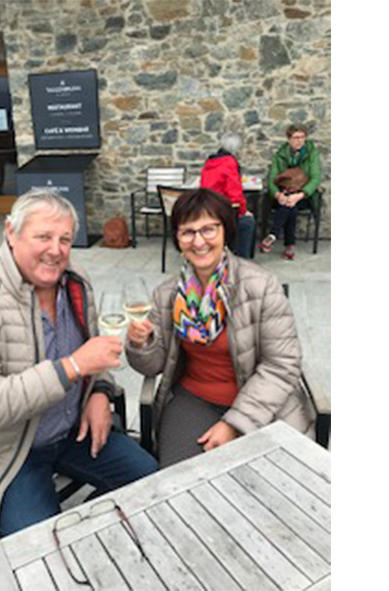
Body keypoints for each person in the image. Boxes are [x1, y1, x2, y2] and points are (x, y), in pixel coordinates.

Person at [0, 188, 158, 538]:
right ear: (11, 232)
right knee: (42, 546)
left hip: (73, 430)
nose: (56, 250)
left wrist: (99, 391)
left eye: (65, 239)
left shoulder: (74, 281)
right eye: (43, 236)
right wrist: (73, 367)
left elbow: (91, 354)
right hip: (7, 451)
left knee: (153, 483)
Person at [126, 188, 316, 468]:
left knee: (263, 485)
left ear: (225, 231)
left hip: (264, 404)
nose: (198, 241)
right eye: (187, 232)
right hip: (194, 399)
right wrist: (141, 343)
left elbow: (282, 363)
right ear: (177, 238)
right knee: (181, 480)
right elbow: (152, 365)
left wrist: (234, 424)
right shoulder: (168, 293)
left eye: (208, 229)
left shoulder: (261, 286)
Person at [259, 124, 322, 260]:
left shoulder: (311, 153)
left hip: (305, 195)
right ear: (288, 139)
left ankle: (273, 235)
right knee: (290, 206)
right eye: (295, 137)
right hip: (284, 193)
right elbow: (272, 179)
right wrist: (278, 195)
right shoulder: (280, 155)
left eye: (302, 137)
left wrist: (300, 195)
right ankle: (289, 245)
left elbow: (315, 178)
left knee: (290, 205)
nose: (299, 141)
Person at [199, 131, 256, 258]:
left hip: (207, 210)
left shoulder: (210, 162)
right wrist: (244, 211)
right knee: (248, 222)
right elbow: (235, 194)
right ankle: (241, 260)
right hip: (222, 211)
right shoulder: (230, 163)